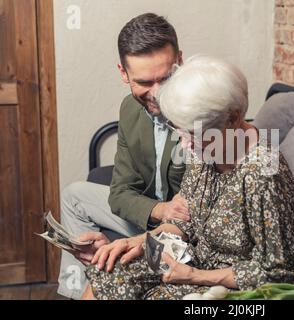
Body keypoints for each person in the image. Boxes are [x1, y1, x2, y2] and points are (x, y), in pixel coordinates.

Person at [81, 56, 294, 300]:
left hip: (235, 286)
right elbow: (186, 221)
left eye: (193, 134)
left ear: (234, 118)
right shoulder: (205, 149)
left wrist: (195, 275)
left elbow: (286, 273)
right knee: (112, 271)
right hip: (193, 261)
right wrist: (140, 241)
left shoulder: (264, 175)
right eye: (179, 131)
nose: (184, 144)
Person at [58, 13, 189, 299]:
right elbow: (119, 193)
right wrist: (159, 210)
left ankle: (97, 286)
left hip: (183, 233)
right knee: (73, 195)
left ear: (180, 60)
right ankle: (77, 291)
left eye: (165, 78)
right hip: (152, 214)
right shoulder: (129, 109)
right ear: (123, 73)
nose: (157, 93)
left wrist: (138, 241)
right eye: (144, 82)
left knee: (122, 263)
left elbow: (201, 217)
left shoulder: (202, 112)